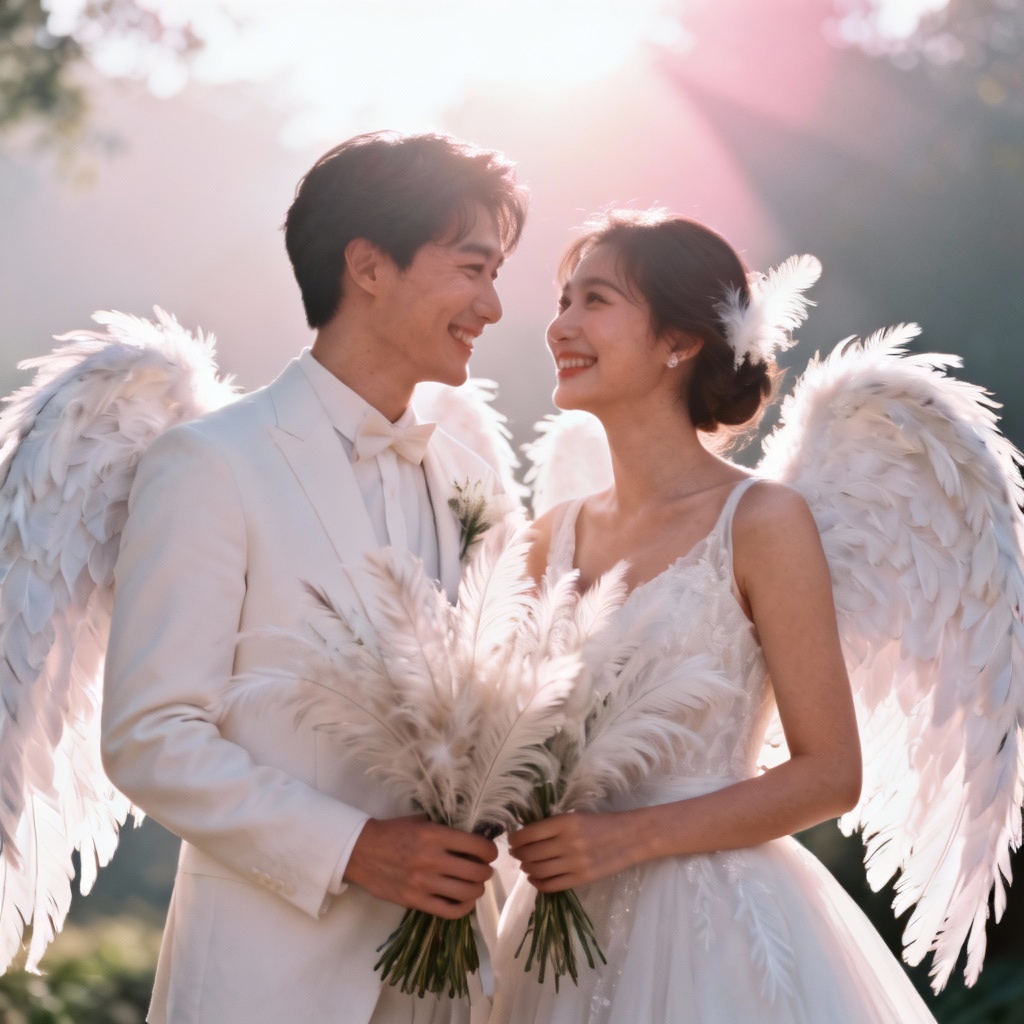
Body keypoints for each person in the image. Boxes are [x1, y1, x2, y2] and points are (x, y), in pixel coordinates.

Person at [101, 131, 527, 1024]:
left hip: (458, 979)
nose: (492, 305)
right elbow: (150, 735)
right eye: (472, 268)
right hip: (268, 976)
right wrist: (355, 848)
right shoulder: (210, 462)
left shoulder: (469, 479)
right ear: (368, 266)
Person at [489, 211, 940, 1023]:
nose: (562, 325)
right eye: (562, 302)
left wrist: (624, 841)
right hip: (557, 940)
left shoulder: (762, 521)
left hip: (716, 935)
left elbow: (830, 774)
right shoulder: (546, 539)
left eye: (595, 300)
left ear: (679, 341)